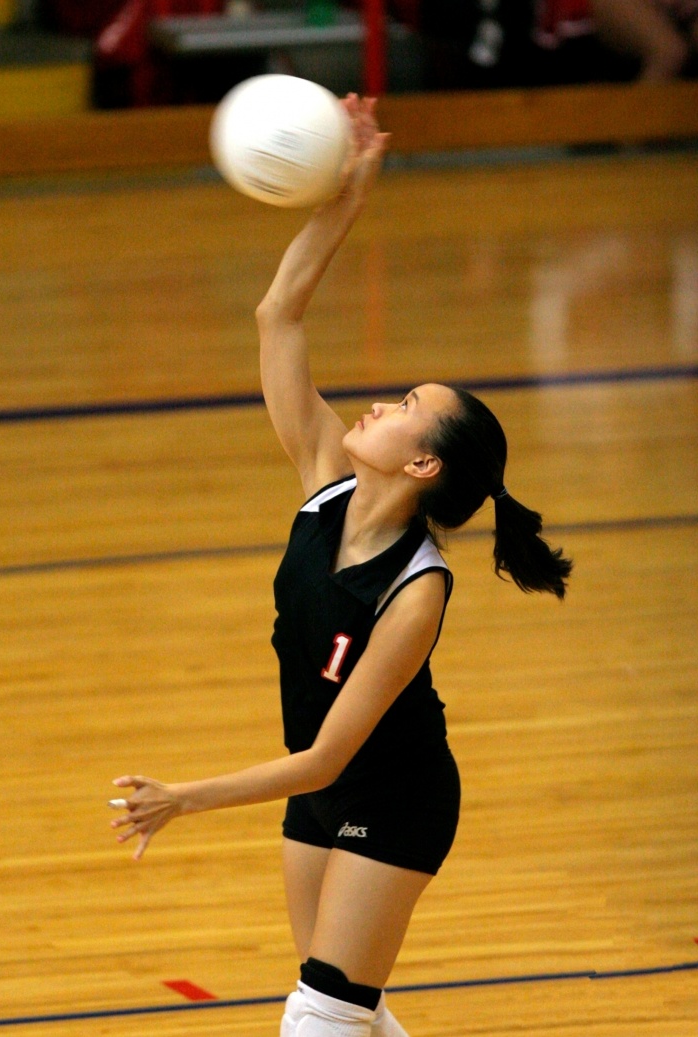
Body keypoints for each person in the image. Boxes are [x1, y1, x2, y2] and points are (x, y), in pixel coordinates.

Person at [109, 96, 573, 1037]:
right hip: (322, 794)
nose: (376, 404)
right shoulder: (323, 482)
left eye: (405, 403)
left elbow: (329, 752)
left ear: (424, 463)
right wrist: (346, 195)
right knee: (344, 1007)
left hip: (396, 798)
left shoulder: (418, 589)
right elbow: (277, 314)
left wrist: (183, 799)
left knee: (320, 1011)